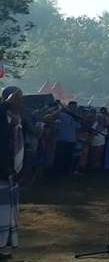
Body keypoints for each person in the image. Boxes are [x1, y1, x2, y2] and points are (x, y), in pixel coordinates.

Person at [0, 87, 24, 260]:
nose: (20, 101)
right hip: (2, 171)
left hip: (12, 172)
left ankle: (2, 247)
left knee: (7, 214)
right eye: (17, 98)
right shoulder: (2, 115)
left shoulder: (15, 117)